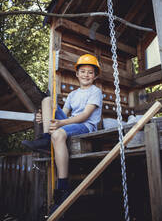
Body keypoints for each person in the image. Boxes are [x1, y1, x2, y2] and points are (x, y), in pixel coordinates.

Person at [22, 54, 103, 217]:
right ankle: (45, 138)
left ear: (95, 76)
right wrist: (45, 118)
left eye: (90, 72)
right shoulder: (73, 95)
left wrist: (60, 124)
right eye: (83, 71)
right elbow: (62, 114)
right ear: (77, 74)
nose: (86, 75)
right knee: (47, 101)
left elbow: (84, 116)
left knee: (58, 133)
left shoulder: (96, 92)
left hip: (86, 126)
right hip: (71, 123)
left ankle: (63, 186)